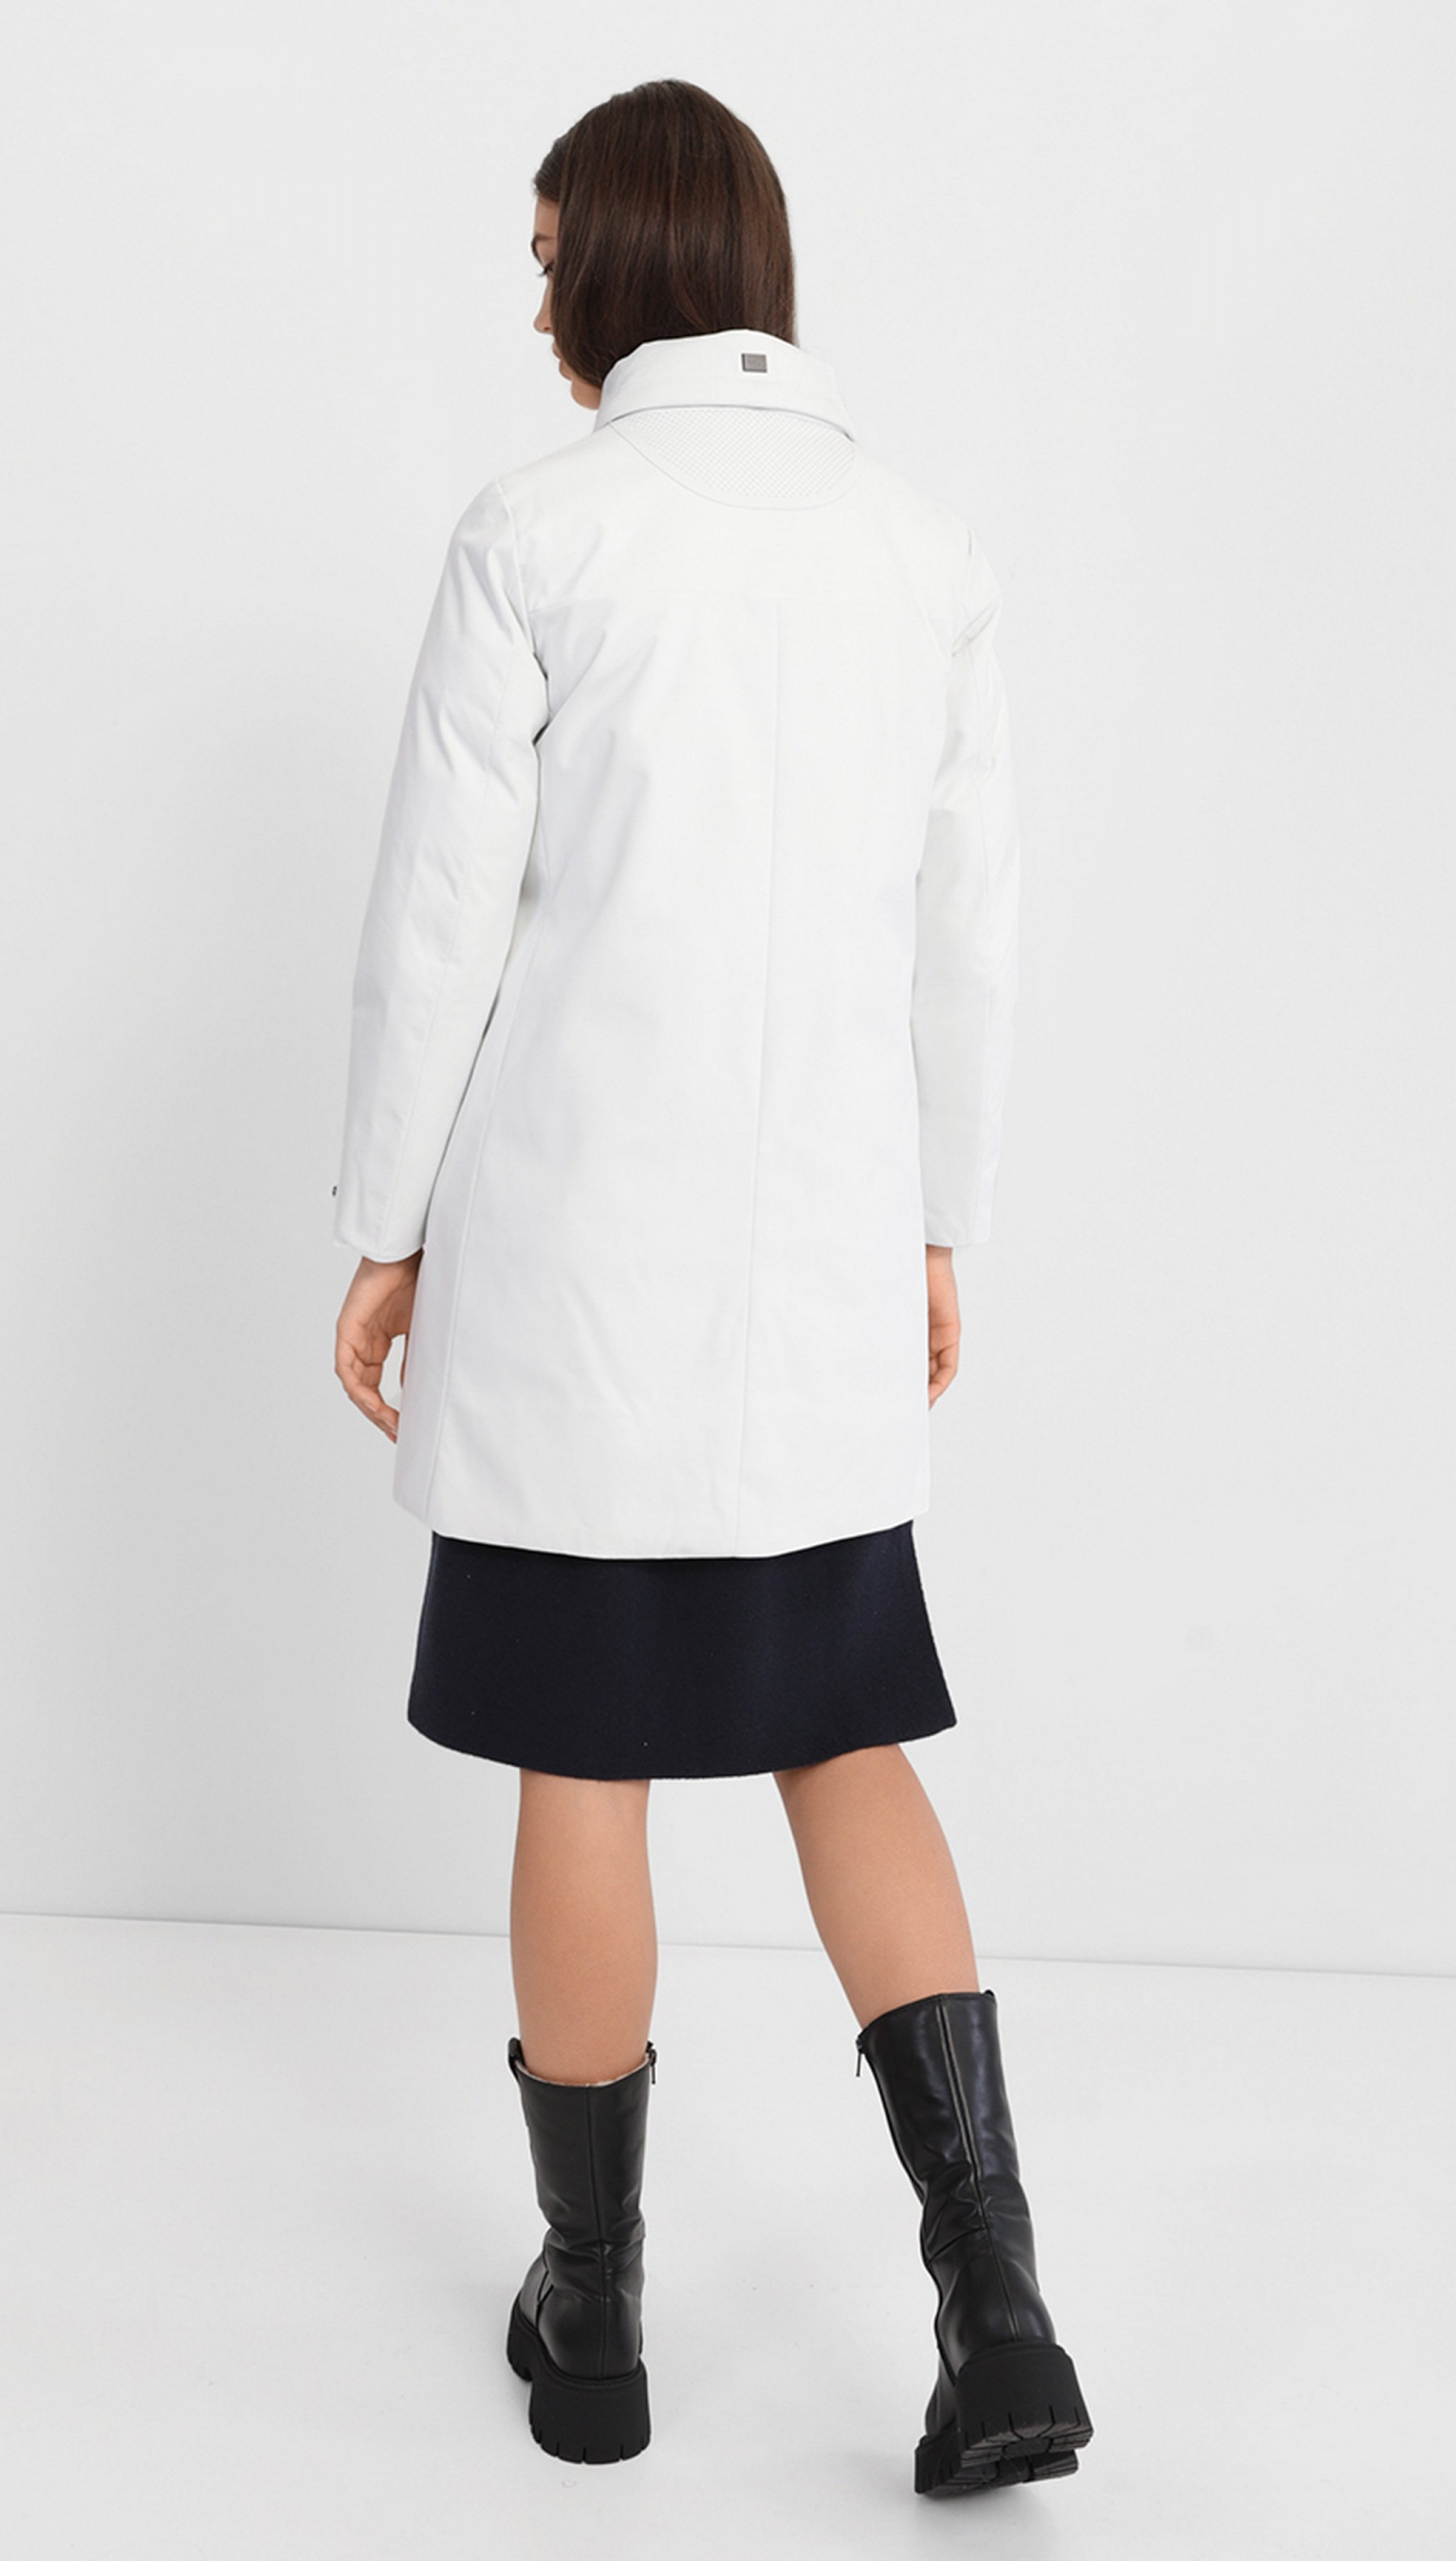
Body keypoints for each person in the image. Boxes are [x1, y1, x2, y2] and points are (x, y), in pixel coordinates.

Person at [331, 78, 1091, 2497]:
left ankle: (594, 2325)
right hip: (820, 1259)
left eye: (544, 251)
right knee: (842, 1739)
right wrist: (936, 1221)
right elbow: (968, 938)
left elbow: (438, 922)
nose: (535, 295)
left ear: (615, 267)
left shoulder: (537, 536)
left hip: (578, 1260)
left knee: (586, 1759)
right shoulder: (918, 551)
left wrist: (382, 1224)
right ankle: (996, 2315)